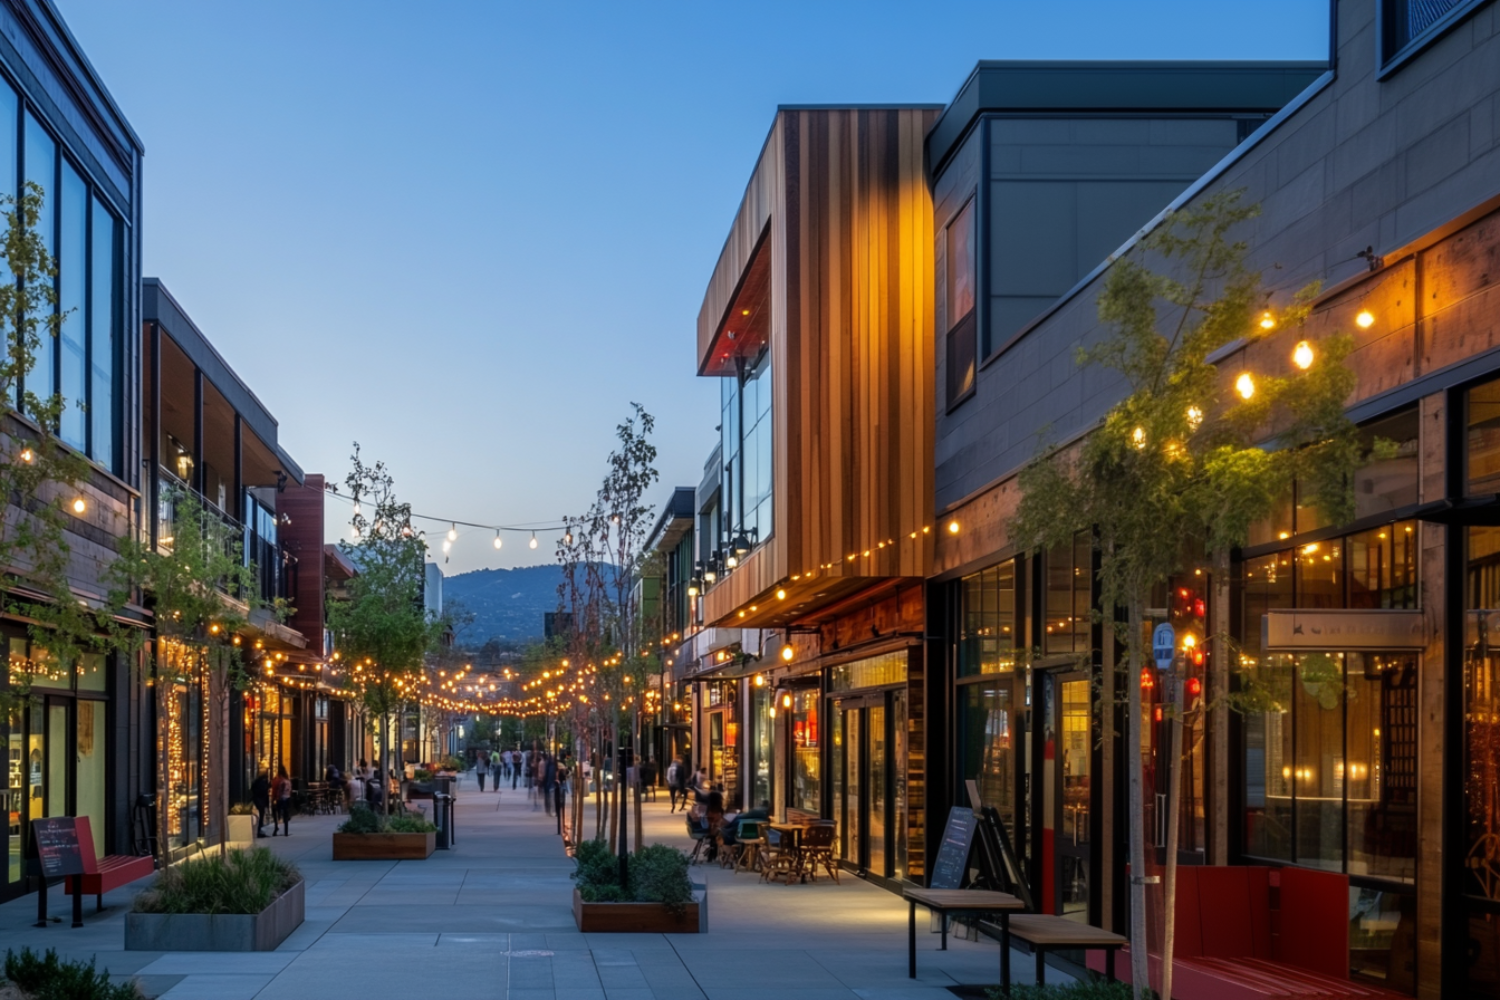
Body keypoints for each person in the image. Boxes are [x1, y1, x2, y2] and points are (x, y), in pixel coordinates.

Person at [272, 765, 292, 836]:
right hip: (287, 798)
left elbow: (277, 790)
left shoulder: (278, 780)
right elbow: (290, 790)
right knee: (286, 814)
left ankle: (276, 828)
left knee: (275, 813)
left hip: (280, 798)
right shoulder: (287, 781)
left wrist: (275, 798)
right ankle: (286, 831)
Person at [251, 770, 271, 838]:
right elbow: (263, 791)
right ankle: (259, 831)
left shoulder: (257, 782)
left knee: (261, 816)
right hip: (260, 801)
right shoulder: (262, 783)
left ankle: (259, 830)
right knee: (261, 816)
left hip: (258, 800)